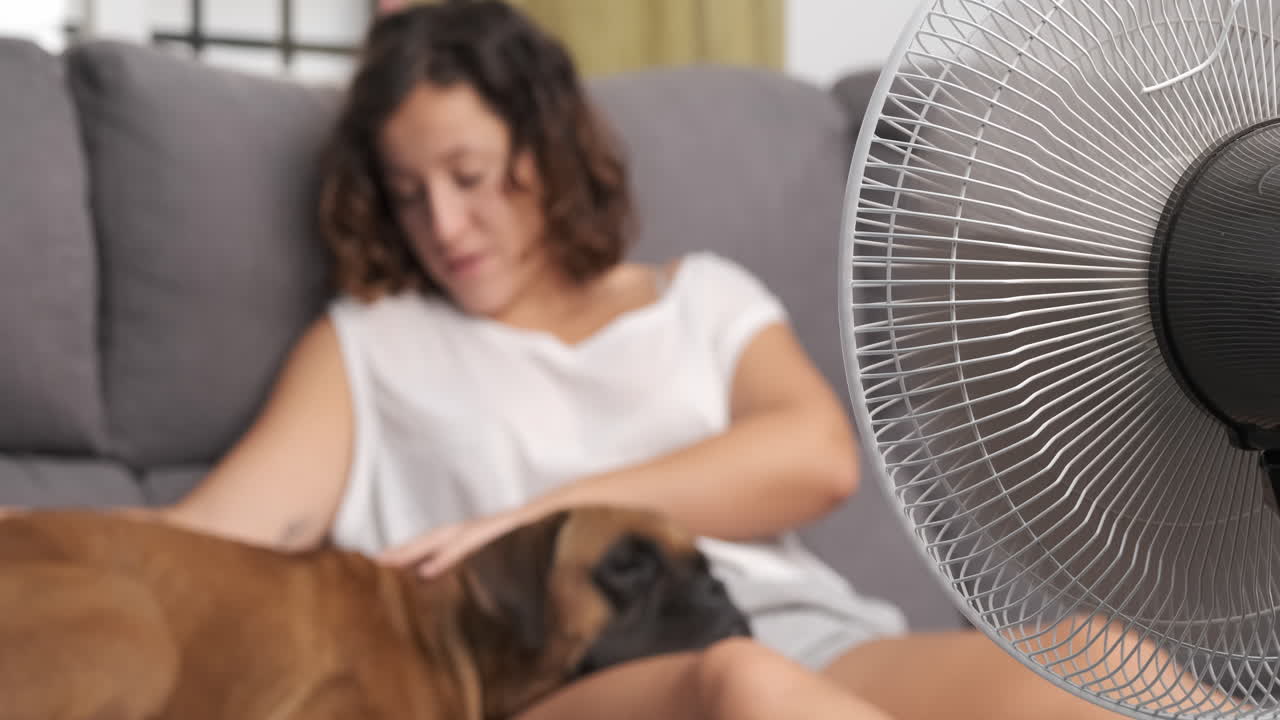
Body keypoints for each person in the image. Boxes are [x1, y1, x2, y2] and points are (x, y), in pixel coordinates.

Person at [9, 3, 1228, 719]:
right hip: (571, 671)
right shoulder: (372, 347)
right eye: (406, 191)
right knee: (744, 689)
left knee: (1096, 653)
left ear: (544, 145)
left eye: (472, 177)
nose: (442, 223)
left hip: (802, 622)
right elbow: (213, 544)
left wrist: (532, 514)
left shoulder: (701, 299)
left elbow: (811, 458)